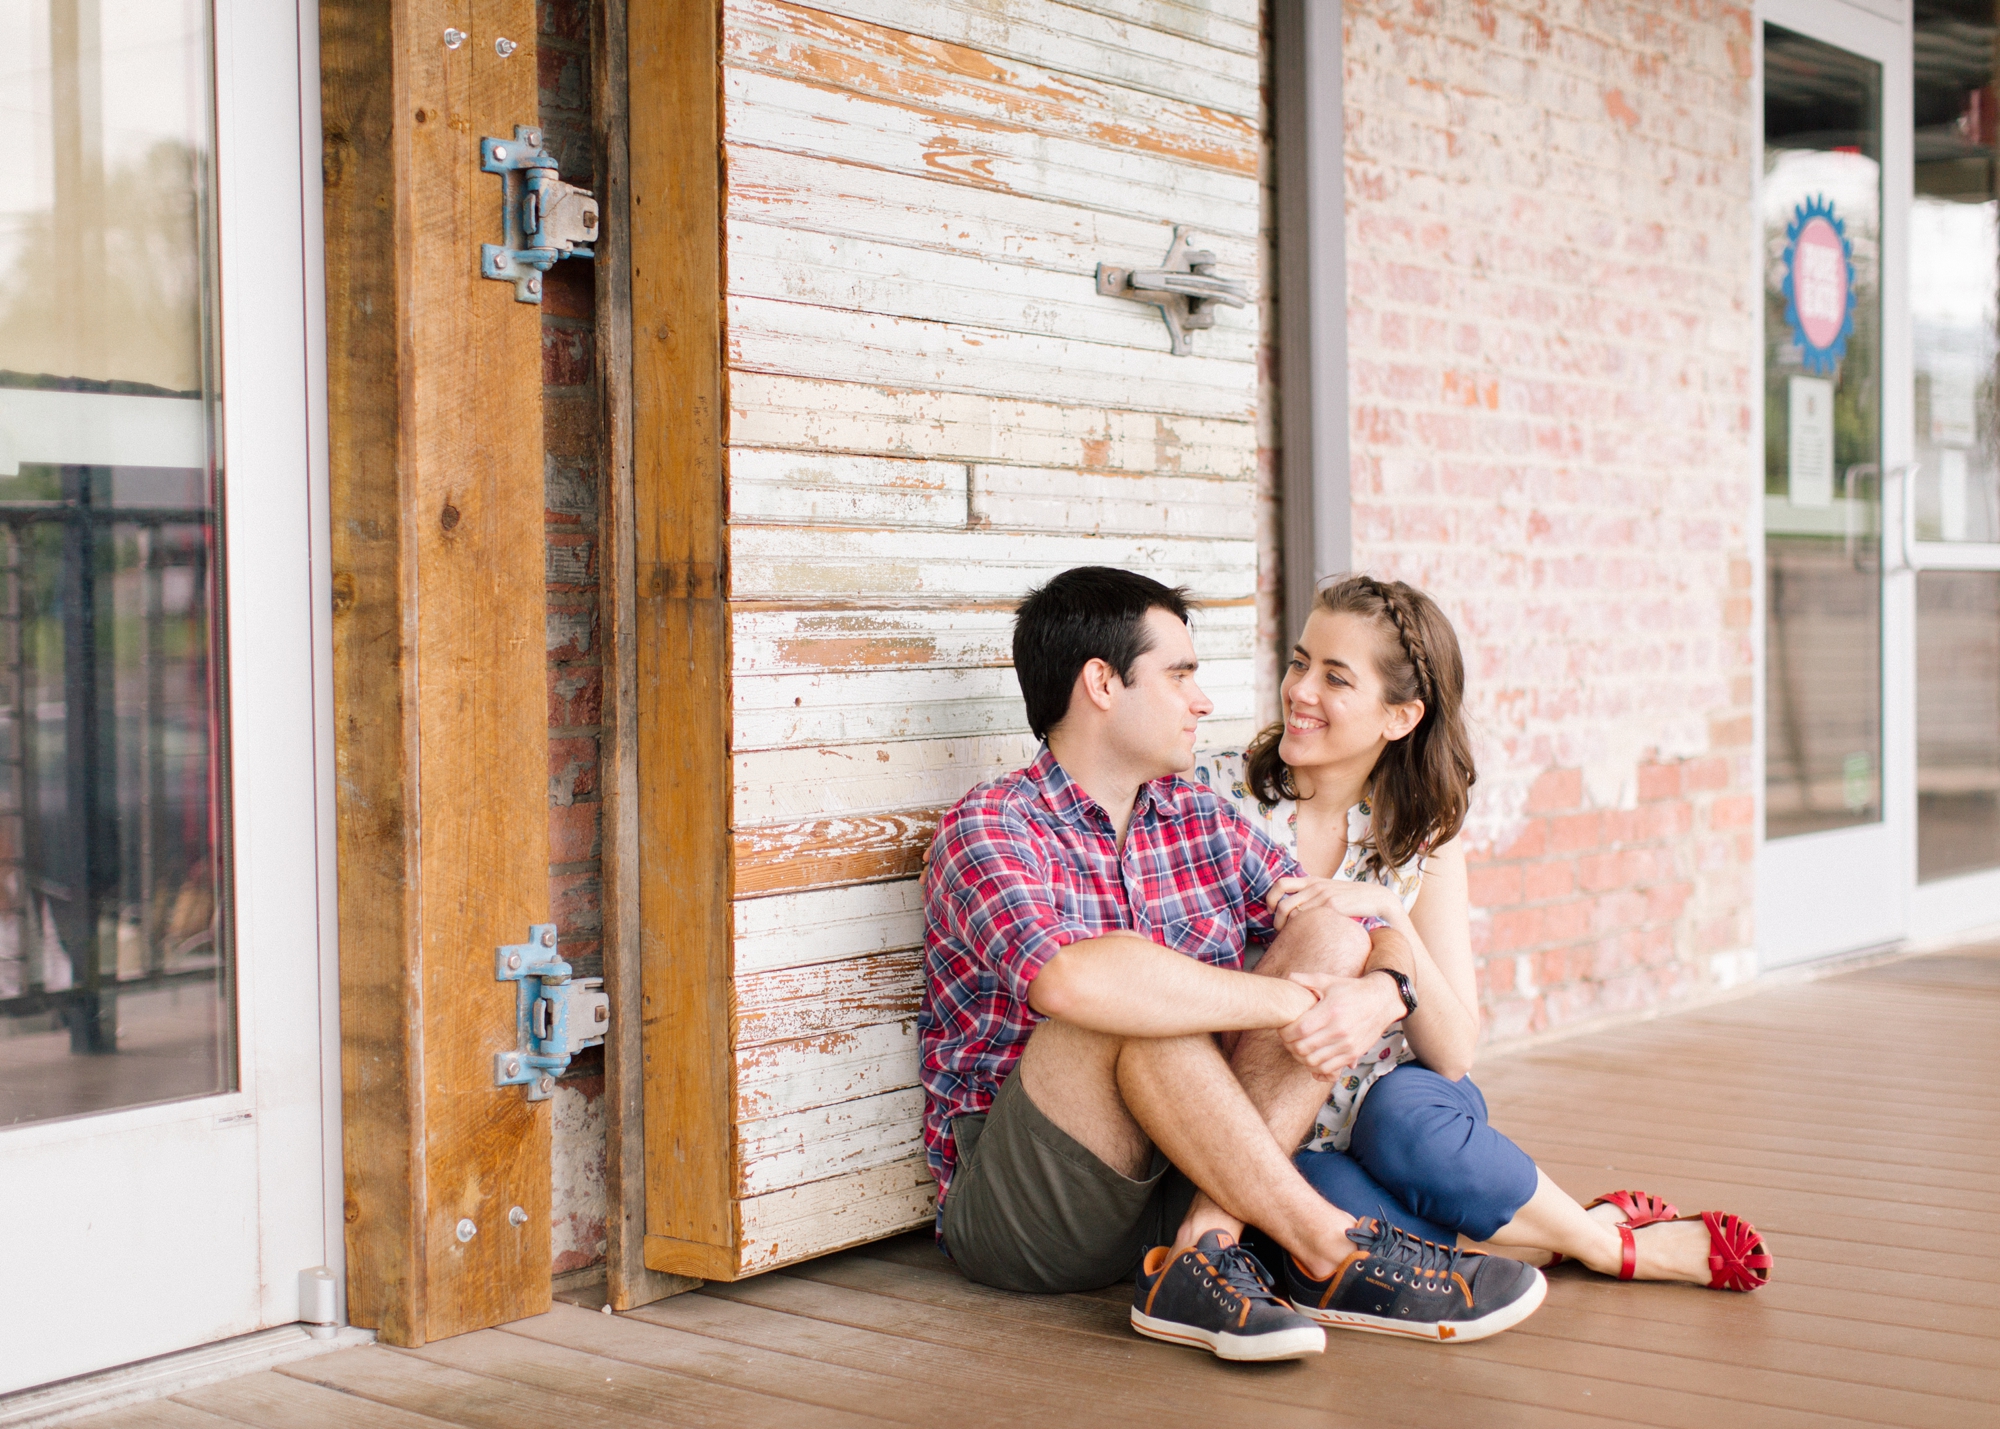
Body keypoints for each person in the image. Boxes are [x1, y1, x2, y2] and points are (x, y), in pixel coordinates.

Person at [919, 566, 1547, 1363]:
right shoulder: (989, 828)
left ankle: (1202, 1252)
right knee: (1127, 994)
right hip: (1034, 1205)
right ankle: (1331, 1247)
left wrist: (1380, 986)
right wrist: (1288, 1004)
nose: (1203, 701)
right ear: (1102, 683)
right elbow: (1070, 982)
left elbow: (1344, 917)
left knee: (1327, 936)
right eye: (1180, 675)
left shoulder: (1196, 816)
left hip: (1183, 1166)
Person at [1191, 574, 1773, 1295]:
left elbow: (1453, 1049)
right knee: (1325, 1214)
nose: (1301, 690)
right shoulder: (1215, 797)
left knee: (1404, 1120)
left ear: (1400, 717)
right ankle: (1567, 1232)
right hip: (1276, 1118)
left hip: (1398, 1109)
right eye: (1300, 662)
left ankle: (1614, 1248)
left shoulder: (1420, 835)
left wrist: (1388, 911)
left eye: (1336, 677)